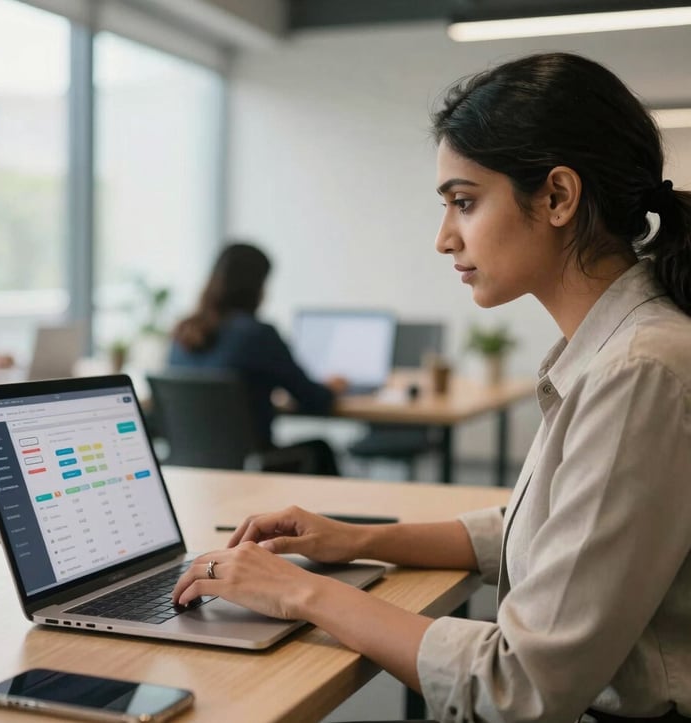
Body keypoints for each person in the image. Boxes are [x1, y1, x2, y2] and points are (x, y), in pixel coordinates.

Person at [171, 53, 691, 722]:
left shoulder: (639, 369)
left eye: (464, 203)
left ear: (559, 197)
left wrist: (301, 592)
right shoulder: (623, 348)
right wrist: (355, 538)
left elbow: (517, 686)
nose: (445, 238)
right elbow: (545, 527)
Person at [168, 241, 347, 475]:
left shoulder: (183, 332)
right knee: (320, 449)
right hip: (252, 466)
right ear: (258, 286)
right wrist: (333, 387)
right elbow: (314, 399)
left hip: (191, 471)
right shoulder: (258, 334)